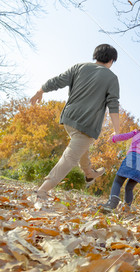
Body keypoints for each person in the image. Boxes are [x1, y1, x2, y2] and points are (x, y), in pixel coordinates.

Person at [30, 44, 121, 199]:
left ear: (95, 55)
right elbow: (113, 103)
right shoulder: (111, 78)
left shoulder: (79, 67)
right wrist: (117, 130)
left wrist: (40, 90)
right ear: (112, 60)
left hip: (69, 119)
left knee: (81, 147)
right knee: (71, 156)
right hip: (88, 125)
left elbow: (58, 80)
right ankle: (43, 190)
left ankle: (89, 173)